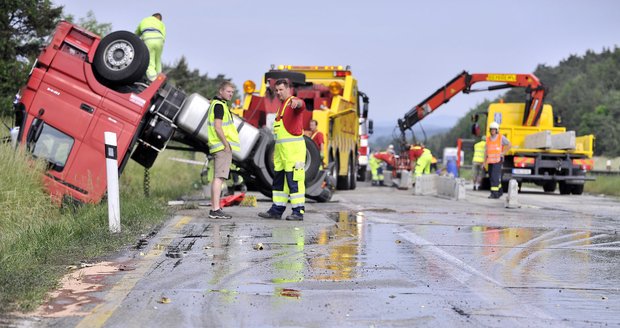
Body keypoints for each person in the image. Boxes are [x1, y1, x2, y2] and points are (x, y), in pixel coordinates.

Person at [258, 79, 307, 221]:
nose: (278, 92)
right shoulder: (282, 107)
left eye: (281, 89)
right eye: (277, 90)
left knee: (294, 182)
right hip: (281, 154)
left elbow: (301, 105)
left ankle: (298, 212)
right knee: (279, 183)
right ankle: (276, 210)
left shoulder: (293, 102)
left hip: (293, 153)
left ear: (288, 89)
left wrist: (297, 103)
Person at [207, 81, 240, 219]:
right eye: (228, 91)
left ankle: (216, 208)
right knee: (219, 178)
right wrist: (226, 144)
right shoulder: (219, 106)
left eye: (232, 92)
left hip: (219, 146)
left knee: (219, 178)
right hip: (221, 147)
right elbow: (218, 127)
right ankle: (215, 209)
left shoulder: (218, 104)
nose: (231, 94)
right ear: (220, 91)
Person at [484, 121, 511, 199]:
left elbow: (509, 144)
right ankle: (500, 191)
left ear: (497, 130)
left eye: (494, 129)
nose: (492, 131)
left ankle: (494, 193)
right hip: (490, 161)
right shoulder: (488, 139)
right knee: (492, 176)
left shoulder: (500, 137)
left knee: (494, 177)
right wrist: (484, 162)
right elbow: (486, 151)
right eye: (491, 129)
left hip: (498, 160)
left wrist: (503, 152)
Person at [135, 13, 166, 81]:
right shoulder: (161, 23)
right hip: (159, 41)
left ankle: (152, 79)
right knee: (158, 60)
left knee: (150, 60)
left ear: (152, 16)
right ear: (159, 19)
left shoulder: (144, 20)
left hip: (148, 40)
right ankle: (159, 79)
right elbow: (164, 35)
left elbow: (136, 34)